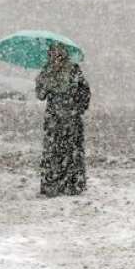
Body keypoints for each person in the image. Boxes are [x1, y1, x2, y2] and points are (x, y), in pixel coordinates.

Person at [35, 43, 91, 197]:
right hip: (53, 118)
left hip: (71, 118)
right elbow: (40, 95)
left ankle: (72, 185)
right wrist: (42, 82)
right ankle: (52, 185)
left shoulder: (73, 70)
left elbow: (85, 92)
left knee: (72, 151)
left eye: (59, 54)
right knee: (53, 150)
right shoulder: (46, 71)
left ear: (64, 55)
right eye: (53, 54)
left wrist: (77, 108)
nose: (56, 58)